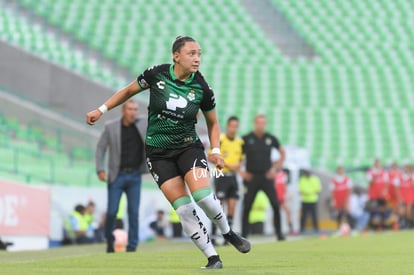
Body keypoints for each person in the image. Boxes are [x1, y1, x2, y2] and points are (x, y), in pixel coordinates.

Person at [86, 36, 250, 269]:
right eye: (191, 53)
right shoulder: (157, 74)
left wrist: (215, 150)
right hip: (158, 153)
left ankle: (228, 232)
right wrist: (101, 109)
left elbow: (213, 123)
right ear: (176, 56)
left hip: (188, 148)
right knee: (183, 209)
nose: (197, 58)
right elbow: (128, 91)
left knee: (203, 197)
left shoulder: (202, 88)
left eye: (199, 54)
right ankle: (213, 258)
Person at [95, 99, 147, 253]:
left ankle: (132, 247)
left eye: (135, 109)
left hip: (135, 175)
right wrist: (100, 169)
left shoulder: (143, 124)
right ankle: (110, 242)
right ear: (123, 111)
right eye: (130, 109)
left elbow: (158, 118)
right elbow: (100, 149)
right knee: (111, 211)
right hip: (117, 175)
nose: (133, 112)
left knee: (133, 212)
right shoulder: (111, 127)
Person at [240, 114, 286, 241]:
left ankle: (279, 233)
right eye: (259, 122)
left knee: (275, 204)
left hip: (266, 176)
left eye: (263, 123)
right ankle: (244, 235)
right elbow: (238, 156)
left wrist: (275, 169)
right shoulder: (246, 139)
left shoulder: (270, 138)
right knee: (247, 206)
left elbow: (282, 153)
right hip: (251, 177)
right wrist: (241, 172)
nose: (261, 125)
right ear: (254, 123)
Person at [207, 116, 243, 244]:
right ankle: (213, 235)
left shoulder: (240, 142)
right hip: (221, 176)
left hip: (233, 177)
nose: (233, 128)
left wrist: (238, 167)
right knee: (219, 207)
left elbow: (241, 159)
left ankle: (228, 237)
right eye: (231, 126)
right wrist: (226, 164)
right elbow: (210, 156)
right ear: (228, 126)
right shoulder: (220, 140)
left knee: (232, 206)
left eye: (236, 126)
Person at [366, 159, 388, 228]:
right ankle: (372, 225)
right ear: (374, 164)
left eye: (379, 163)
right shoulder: (370, 172)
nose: (378, 165)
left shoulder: (384, 172)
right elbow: (370, 183)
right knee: (373, 208)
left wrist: (384, 191)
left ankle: (382, 224)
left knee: (383, 208)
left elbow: (386, 182)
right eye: (377, 163)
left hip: (381, 193)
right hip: (373, 194)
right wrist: (375, 176)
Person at [274, 168, 295, 235]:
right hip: (276, 197)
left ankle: (290, 229)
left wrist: (287, 194)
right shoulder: (274, 174)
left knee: (287, 212)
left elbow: (284, 186)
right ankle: (277, 230)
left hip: (281, 198)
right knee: (278, 213)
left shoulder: (282, 174)